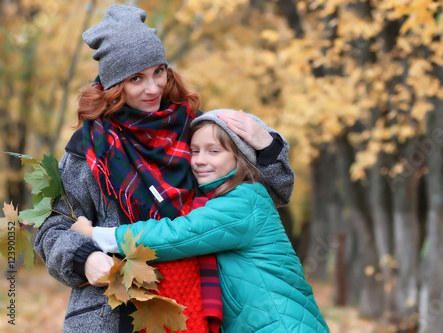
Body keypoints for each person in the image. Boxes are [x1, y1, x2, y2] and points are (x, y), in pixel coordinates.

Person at [34, 4, 294, 333]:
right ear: (115, 86)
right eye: (136, 79)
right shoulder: (87, 153)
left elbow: (271, 195)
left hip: (200, 308)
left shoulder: (196, 133)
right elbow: (51, 229)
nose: (153, 88)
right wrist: (82, 258)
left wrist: (266, 145)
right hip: (115, 315)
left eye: (159, 71)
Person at [72, 109, 330, 333]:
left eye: (213, 151)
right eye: (194, 151)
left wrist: (97, 235)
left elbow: (178, 234)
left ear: (241, 158)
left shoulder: (244, 200)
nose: (199, 161)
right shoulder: (228, 198)